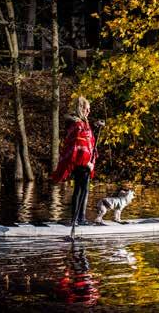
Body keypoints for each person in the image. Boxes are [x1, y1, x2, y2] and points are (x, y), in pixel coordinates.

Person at [51, 96, 104, 225]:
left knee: (83, 189)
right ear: (81, 109)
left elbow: (87, 139)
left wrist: (95, 126)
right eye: (87, 109)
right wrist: (87, 163)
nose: (89, 112)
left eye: (89, 109)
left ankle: (80, 218)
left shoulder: (83, 123)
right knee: (81, 190)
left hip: (85, 162)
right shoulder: (77, 124)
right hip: (81, 162)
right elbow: (77, 146)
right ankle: (78, 218)